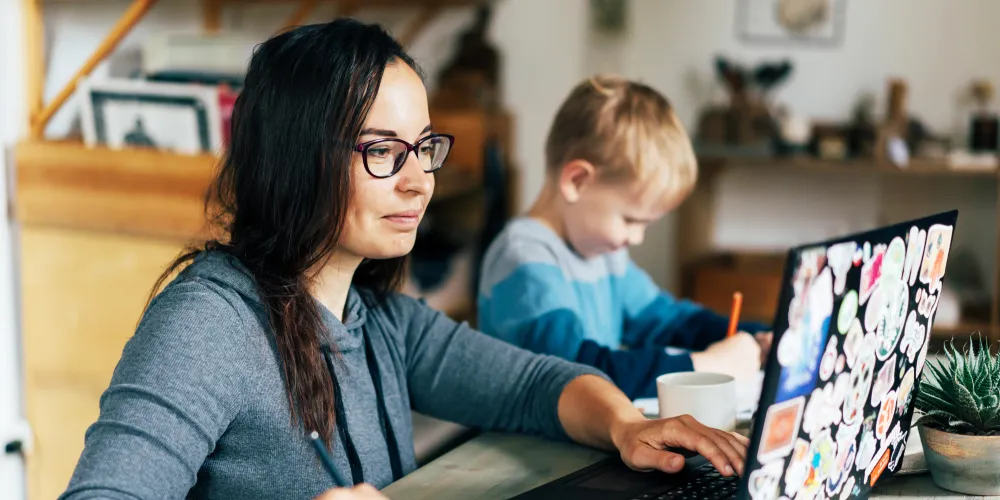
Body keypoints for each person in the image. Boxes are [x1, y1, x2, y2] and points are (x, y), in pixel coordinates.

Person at [59, 20, 750, 500]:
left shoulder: (380, 320)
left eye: (424, 148)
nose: (420, 181)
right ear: (298, 160)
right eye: (384, 151)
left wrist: (628, 426)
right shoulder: (208, 325)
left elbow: (533, 385)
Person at [477, 76, 773, 400]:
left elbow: (669, 321)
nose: (637, 237)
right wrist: (703, 366)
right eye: (630, 220)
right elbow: (579, 374)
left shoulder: (602, 252)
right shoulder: (524, 259)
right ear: (577, 181)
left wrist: (755, 337)